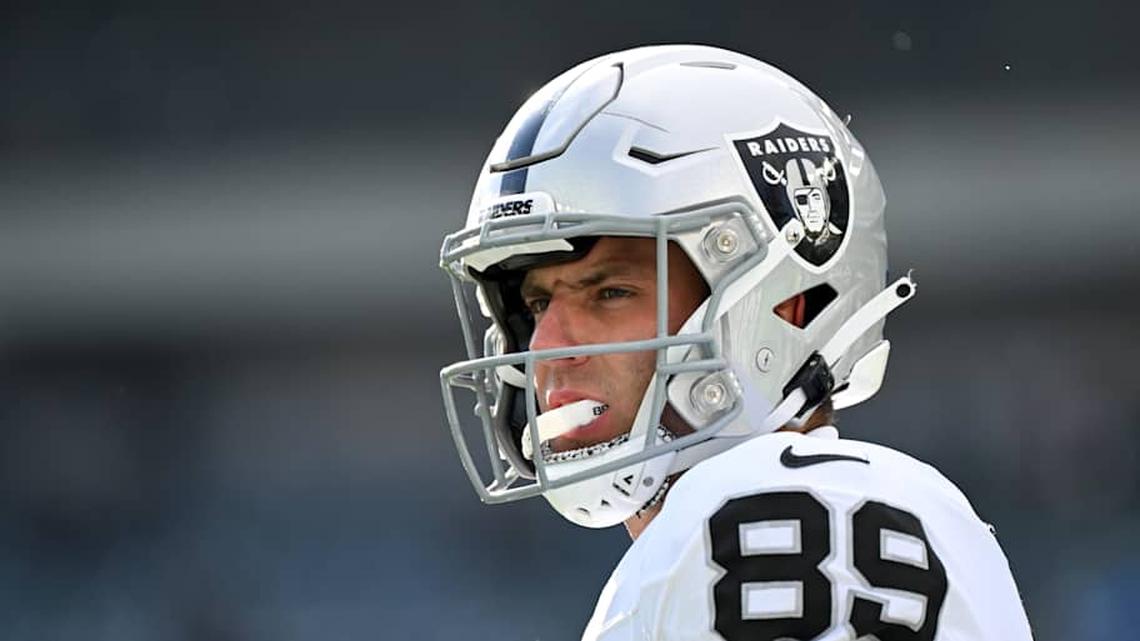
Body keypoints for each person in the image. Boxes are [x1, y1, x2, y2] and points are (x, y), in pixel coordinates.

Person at [439, 45, 1034, 640]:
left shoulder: (778, 518)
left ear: (789, 301)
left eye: (611, 293)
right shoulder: (929, 520)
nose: (550, 347)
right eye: (538, 304)